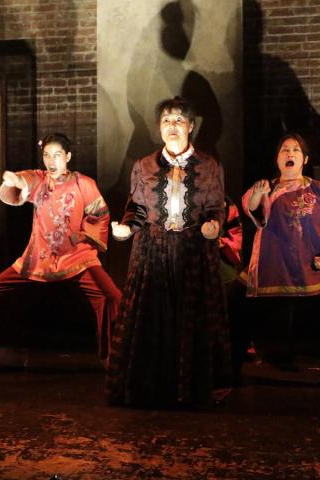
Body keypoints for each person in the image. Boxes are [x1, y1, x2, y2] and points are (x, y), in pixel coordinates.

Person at [107, 97, 231, 408]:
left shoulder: (210, 166)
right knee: (151, 317)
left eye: (178, 121)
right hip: (153, 251)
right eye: (165, 121)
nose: (171, 126)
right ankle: (151, 388)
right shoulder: (144, 165)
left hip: (192, 252)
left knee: (191, 319)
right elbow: (135, 208)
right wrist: (126, 228)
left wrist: (213, 225)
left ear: (192, 126)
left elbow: (216, 207)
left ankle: (191, 389)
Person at [230, 133, 320, 389]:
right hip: (271, 269)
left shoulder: (319, 190)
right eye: (284, 150)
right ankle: (226, 374)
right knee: (233, 307)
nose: (289, 153)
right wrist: (258, 199)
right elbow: (256, 213)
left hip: (311, 271)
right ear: (278, 159)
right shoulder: (266, 188)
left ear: (304, 159)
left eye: (295, 150)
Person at [0, 133, 121, 368]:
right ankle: (0, 350)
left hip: (77, 257)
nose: (51, 161)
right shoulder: (40, 180)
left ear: (68, 157)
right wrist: (14, 180)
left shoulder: (83, 184)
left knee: (111, 296)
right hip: (39, 258)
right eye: (46, 155)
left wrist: (83, 237)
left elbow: (100, 215)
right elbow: (26, 181)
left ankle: (110, 356)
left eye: (57, 155)